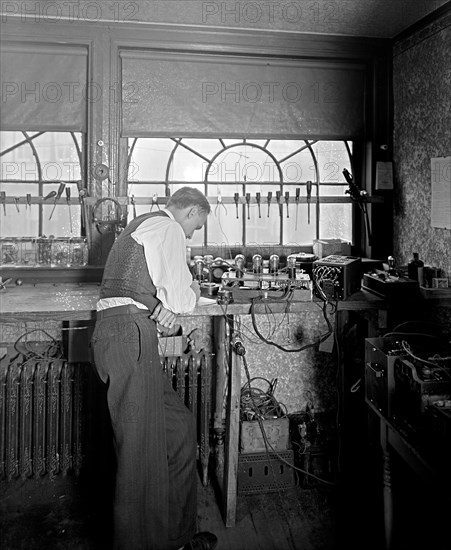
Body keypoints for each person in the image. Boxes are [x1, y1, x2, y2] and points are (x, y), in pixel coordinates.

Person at [91, 187, 218, 550]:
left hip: (126, 335)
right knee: (140, 457)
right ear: (192, 211)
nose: (193, 234)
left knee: (178, 430)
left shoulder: (142, 225)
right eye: (197, 225)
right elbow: (180, 297)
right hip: (129, 337)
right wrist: (185, 290)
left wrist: (162, 305)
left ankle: (176, 538)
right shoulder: (168, 228)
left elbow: (152, 293)